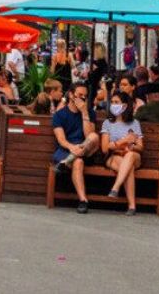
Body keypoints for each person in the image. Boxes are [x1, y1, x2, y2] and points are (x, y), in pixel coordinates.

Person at [52, 85, 99, 213]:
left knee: (94, 136)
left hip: (86, 149)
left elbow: (89, 135)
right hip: (66, 151)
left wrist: (84, 112)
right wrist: (73, 148)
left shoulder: (89, 112)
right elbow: (61, 140)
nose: (83, 98)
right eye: (79, 95)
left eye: (85, 95)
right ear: (71, 95)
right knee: (78, 161)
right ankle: (83, 200)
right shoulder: (59, 115)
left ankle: (67, 162)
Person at [101, 90, 144, 215]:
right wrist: (123, 141)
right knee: (127, 167)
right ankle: (132, 206)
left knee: (130, 156)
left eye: (116, 102)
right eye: (112, 102)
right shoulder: (108, 123)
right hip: (114, 157)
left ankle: (116, 187)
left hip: (133, 156)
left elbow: (140, 147)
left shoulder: (134, 123)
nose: (113, 104)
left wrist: (131, 146)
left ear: (125, 106)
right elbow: (104, 148)